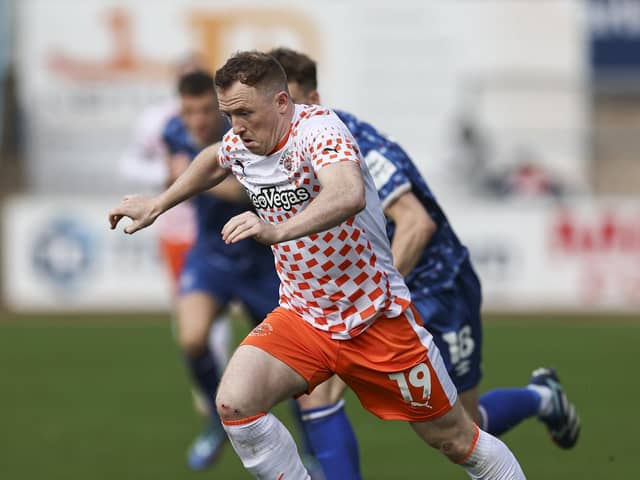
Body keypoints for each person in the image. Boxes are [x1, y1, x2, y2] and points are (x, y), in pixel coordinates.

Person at [109, 50, 525, 479]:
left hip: (374, 320)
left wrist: (276, 230)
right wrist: (158, 204)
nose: (237, 126)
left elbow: (347, 194)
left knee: (457, 439)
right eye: (229, 114)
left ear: (283, 103)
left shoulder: (320, 131)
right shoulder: (244, 140)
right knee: (235, 402)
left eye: (246, 113)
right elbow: (215, 158)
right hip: (304, 318)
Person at [269, 47, 580, 478]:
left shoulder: (351, 139)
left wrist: (369, 301)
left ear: (313, 99)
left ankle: (541, 397)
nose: (277, 113)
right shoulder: (275, 151)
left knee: (465, 431)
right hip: (372, 292)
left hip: (436, 284)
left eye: (288, 100)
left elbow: (416, 224)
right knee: (316, 396)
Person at [160, 70, 281, 470]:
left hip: (260, 260)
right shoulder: (173, 133)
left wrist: (192, 178)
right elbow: (172, 177)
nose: (196, 119)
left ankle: (311, 452)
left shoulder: (243, 134)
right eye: (188, 110)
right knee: (193, 338)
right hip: (211, 254)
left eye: (203, 110)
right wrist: (179, 178)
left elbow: (247, 191)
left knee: (294, 366)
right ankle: (217, 421)